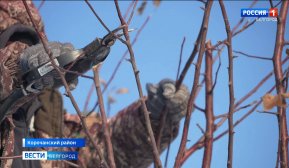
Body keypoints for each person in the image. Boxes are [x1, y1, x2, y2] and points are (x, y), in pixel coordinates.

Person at [0, 1, 190, 168]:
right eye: (8, 42)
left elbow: (93, 153)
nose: (21, 49)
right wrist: (15, 70)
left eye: (28, 43)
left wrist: (153, 118)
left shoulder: (45, 120)